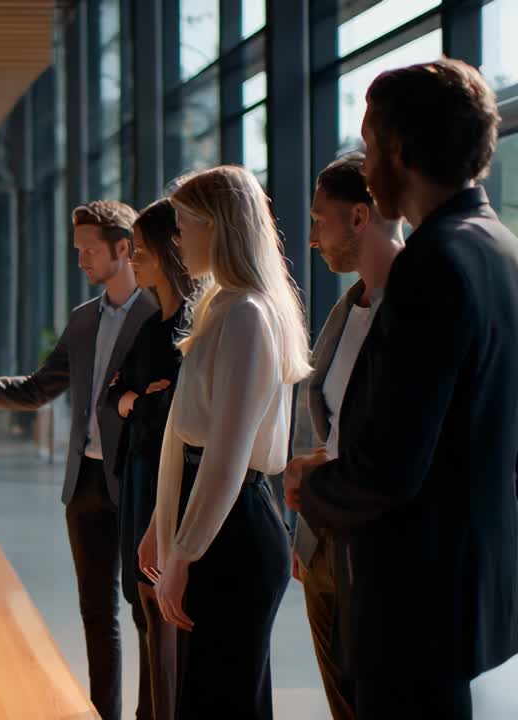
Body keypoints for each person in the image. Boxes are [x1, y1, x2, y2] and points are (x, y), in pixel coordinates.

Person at [284, 58, 518, 717]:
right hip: (464, 591)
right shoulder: (498, 247)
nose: (365, 161)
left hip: (414, 600)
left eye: (368, 141)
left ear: (400, 149)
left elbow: (392, 466)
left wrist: (311, 484)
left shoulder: (433, 264)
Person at [0, 200, 157, 720]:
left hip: (139, 483)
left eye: (90, 250)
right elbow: (38, 388)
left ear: (123, 248)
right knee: (96, 614)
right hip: (84, 484)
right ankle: (103, 712)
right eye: (78, 251)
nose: (82, 260)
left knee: (146, 613)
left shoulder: (160, 315)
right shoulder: (85, 319)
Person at [137, 165, 310, 718]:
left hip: (234, 529)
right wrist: (161, 529)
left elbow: (227, 454)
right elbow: (181, 433)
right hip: (218, 520)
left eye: (184, 225)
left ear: (216, 226)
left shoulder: (247, 314)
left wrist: (183, 550)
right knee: (216, 695)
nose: (177, 239)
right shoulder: (222, 305)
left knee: (223, 697)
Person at [290, 152, 404, 720]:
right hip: (325, 540)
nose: (312, 238)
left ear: (360, 218)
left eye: (319, 220)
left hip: (379, 548)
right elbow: (332, 430)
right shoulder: (347, 308)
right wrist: (305, 530)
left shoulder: (415, 308)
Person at [103, 198, 196, 720]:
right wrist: (140, 400)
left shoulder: (189, 325)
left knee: (159, 610)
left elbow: (176, 407)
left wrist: (142, 401)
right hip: (140, 472)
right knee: (142, 609)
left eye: (140, 250)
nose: (133, 260)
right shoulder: (151, 324)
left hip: (166, 479)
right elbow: (118, 392)